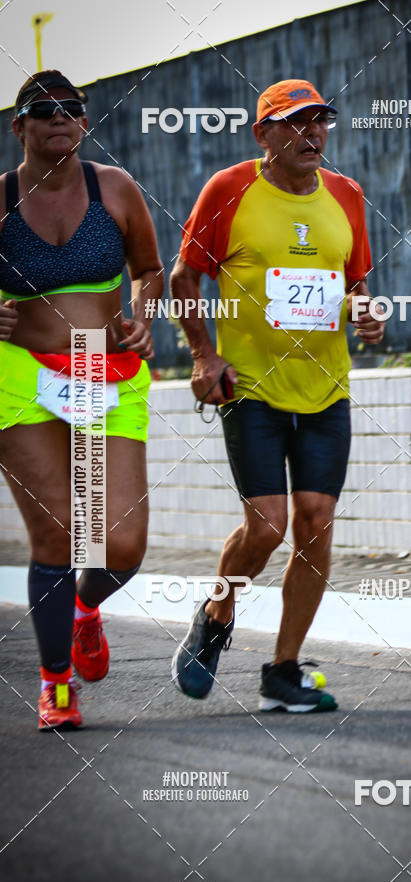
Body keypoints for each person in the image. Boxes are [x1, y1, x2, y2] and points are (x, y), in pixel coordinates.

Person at [170, 78, 383, 713]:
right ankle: (217, 611)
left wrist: (367, 314)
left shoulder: (346, 196)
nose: (311, 133)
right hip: (252, 388)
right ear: (263, 134)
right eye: (294, 123)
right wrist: (204, 355)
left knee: (316, 524)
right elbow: (184, 276)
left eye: (319, 121)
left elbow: (356, 285)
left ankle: (283, 670)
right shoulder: (230, 190)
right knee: (266, 526)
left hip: (325, 389)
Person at [0, 71, 163, 730]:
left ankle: (84, 612)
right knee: (61, 532)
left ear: (85, 121)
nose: (59, 118)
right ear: (20, 127)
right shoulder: (3, 199)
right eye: (43, 110)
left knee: (120, 544)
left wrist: (145, 314)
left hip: (106, 369)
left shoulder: (115, 189)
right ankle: (55, 683)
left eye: (72, 108)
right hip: (21, 375)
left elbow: (150, 271)